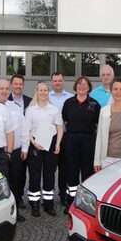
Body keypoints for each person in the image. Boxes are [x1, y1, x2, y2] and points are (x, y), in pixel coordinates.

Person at [24, 82, 63, 217]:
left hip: (50, 144)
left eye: (46, 90)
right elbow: (27, 129)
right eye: (41, 90)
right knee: (34, 175)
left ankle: (48, 203)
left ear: (48, 92)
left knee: (49, 174)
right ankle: (34, 203)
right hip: (35, 144)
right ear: (37, 91)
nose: (43, 92)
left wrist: (58, 144)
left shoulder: (54, 109)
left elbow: (59, 128)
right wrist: (34, 143)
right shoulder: (30, 110)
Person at [62, 77, 100, 213]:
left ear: (89, 87)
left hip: (88, 141)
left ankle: (86, 205)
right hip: (72, 140)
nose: (82, 86)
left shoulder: (95, 104)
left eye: (85, 84)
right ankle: (70, 203)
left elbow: (97, 123)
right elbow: (65, 120)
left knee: (87, 174)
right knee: (71, 173)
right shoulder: (68, 103)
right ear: (75, 86)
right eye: (79, 84)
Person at [0, 79, 28, 222]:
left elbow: (24, 128)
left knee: (15, 182)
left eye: (6, 88)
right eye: (1, 88)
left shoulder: (15, 107)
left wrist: (25, 148)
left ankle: (13, 211)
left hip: (14, 152)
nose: (4, 91)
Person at [48, 71, 73, 207]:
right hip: (49, 137)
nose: (57, 83)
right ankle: (48, 197)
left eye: (60, 80)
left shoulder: (71, 97)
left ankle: (63, 195)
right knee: (49, 169)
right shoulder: (46, 96)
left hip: (65, 137)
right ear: (52, 82)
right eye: (55, 81)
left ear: (63, 81)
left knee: (65, 168)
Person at [8, 74, 31, 209]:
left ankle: (19, 197)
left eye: (20, 84)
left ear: (23, 85)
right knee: (10, 174)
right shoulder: (4, 100)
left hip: (25, 144)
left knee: (21, 174)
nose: (18, 86)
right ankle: (10, 200)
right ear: (11, 85)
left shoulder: (30, 101)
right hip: (10, 146)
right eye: (15, 84)